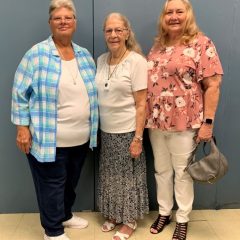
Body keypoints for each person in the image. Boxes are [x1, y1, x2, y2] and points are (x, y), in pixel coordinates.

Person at [11, 0, 98, 239]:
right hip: (49, 138)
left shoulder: (84, 55)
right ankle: (53, 230)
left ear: (75, 23)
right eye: (58, 18)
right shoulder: (36, 54)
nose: (63, 22)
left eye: (68, 17)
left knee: (70, 183)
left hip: (81, 138)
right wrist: (22, 128)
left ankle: (65, 215)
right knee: (51, 185)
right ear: (50, 23)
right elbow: (19, 93)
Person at [146, 0, 223, 239]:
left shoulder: (201, 43)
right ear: (163, 17)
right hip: (156, 122)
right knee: (161, 170)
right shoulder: (158, 46)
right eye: (169, 12)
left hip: (185, 122)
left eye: (179, 11)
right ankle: (164, 212)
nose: (174, 16)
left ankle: (182, 218)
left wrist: (207, 123)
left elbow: (213, 86)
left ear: (188, 14)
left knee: (182, 172)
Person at [95, 12, 149, 240]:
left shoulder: (136, 61)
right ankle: (116, 214)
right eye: (109, 30)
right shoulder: (101, 60)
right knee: (111, 176)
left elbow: (141, 104)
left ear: (127, 33)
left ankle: (129, 220)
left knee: (128, 178)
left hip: (128, 132)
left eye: (119, 30)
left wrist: (138, 138)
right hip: (106, 131)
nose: (114, 35)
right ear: (104, 34)